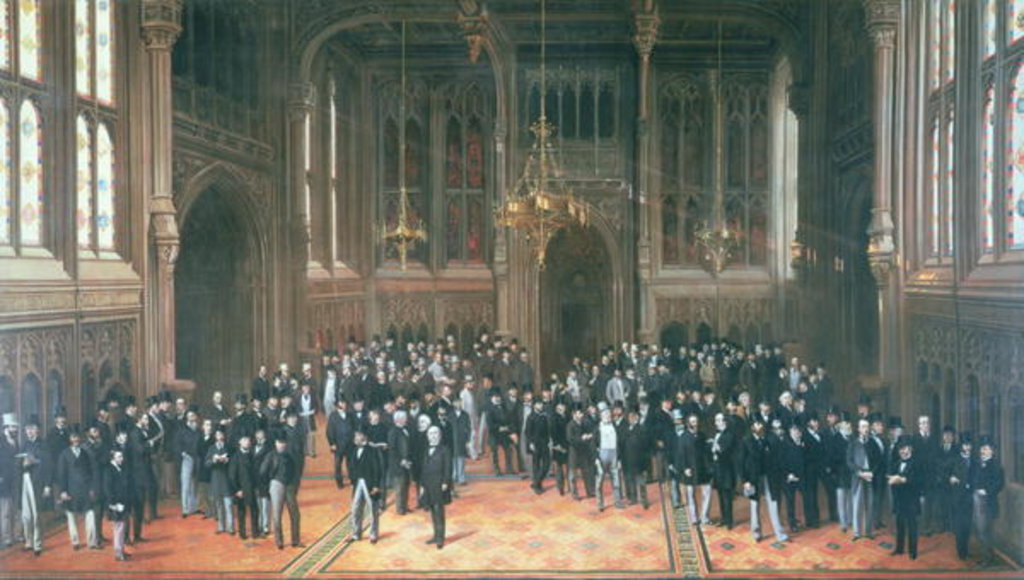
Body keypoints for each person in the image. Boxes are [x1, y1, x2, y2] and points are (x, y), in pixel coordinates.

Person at [742, 417, 788, 543]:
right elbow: (741, 463)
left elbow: (775, 458)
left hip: (768, 477)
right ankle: (756, 532)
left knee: (773, 503)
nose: (759, 426)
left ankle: (779, 532)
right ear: (752, 427)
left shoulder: (769, 439)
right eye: (757, 424)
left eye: (761, 424)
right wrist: (745, 480)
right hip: (753, 478)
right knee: (754, 504)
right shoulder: (746, 441)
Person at [54, 427, 99, 550]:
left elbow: (91, 472)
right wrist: (63, 491)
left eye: (77, 437)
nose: (76, 440)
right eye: (73, 437)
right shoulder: (64, 454)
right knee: (71, 515)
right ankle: (75, 542)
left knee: (90, 513)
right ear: (70, 439)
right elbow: (61, 474)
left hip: (85, 489)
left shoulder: (85, 453)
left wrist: (92, 488)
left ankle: (92, 542)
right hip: (71, 489)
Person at [261, 435, 301, 549]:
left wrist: (294, 485)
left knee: (295, 514)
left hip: (289, 486)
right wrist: (269, 484)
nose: (281, 445)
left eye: (283, 443)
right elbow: (263, 471)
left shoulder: (290, 455)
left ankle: (295, 540)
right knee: (277, 514)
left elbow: (296, 471)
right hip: (276, 483)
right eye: (279, 442)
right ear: (275, 443)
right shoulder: (270, 455)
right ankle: (279, 542)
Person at [18, 415, 50, 556]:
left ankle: (37, 544)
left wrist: (47, 485)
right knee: (26, 515)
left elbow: (49, 466)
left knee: (36, 514)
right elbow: (17, 463)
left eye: (32, 428)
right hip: (24, 480)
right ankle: (28, 541)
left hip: (37, 481)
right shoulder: (24, 445)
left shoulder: (44, 444)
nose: (29, 431)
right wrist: (22, 463)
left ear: (38, 430)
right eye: (27, 429)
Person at [971, 438, 1005, 566]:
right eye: (982, 448)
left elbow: (999, 483)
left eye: (986, 449)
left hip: (988, 502)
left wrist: (986, 491)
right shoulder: (977, 464)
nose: (983, 451)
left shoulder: (996, 466)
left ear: (992, 451)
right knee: (978, 530)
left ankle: (987, 559)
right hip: (976, 500)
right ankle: (985, 556)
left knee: (985, 531)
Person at [848, 418, 881, 540]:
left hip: (870, 477)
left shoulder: (873, 443)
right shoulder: (853, 443)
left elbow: (878, 460)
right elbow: (849, 461)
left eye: (867, 426)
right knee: (857, 504)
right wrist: (859, 472)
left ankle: (868, 531)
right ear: (858, 429)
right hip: (858, 477)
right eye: (863, 427)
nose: (865, 429)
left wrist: (872, 473)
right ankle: (857, 532)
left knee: (870, 504)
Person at [887, 438, 921, 560]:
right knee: (900, 525)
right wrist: (892, 479)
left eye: (905, 448)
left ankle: (913, 551)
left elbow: (919, 481)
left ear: (910, 449)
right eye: (900, 449)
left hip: (911, 500)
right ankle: (899, 549)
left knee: (912, 527)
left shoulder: (917, 463)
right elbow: (891, 477)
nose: (902, 451)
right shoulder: (896, 463)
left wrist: (903, 480)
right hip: (899, 500)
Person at [420, 425, 452, 549]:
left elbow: (448, 468)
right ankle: (435, 535)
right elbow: (423, 468)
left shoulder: (445, 450)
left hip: (439, 484)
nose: (433, 436)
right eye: (431, 434)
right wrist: (422, 485)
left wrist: (445, 482)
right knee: (432, 510)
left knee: (439, 511)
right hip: (428, 484)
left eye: (435, 433)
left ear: (440, 435)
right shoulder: (425, 449)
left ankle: (440, 538)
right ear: (427, 436)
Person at [349, 430, 381, 543]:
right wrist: (352, 483)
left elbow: (377, 469)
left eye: (358, 436)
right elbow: (351, 467)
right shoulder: (354, 450)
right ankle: (356, 534)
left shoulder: (372, 451)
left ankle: (373, 535)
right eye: (355, 436)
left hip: (370, 483)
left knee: (372, 509)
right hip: (357, 483)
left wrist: (376, 485)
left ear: (364, 437)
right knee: (355, 508)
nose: (355, 438)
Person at [947, 432, 974, 560]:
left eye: (969, 445)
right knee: (959, 525)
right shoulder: (954, 460)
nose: (967, 447)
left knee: (967, 524)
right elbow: (944, 473)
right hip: (957, 497)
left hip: (970, 498)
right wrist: (950, 477)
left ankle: (966, 550)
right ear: (961, 446)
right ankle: (961, 552)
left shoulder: (975, 461)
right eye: (965, 445)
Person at [103, 449, 133, 561]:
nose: (122, 459)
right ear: (113, 458)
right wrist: (114, 504)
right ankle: (118, 553)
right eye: (119, 457)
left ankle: (121, 551)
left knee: (121, 528)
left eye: (122, 456)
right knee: (118, 528)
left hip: (123, 502)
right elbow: (108, 489)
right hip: (115, 504)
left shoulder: (120, 468)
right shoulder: (109, 470)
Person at [228, 435, 259, 540]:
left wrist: (256, 487)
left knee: (255, 511)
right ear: (240, 443)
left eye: (248, 440)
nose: (247, 442)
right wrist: (237, 490)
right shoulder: (235, 457)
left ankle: (255, 532)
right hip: (241, 489)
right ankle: (242, 533)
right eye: (244, 440)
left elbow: (255, 473)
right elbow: (232, 475)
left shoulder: (252, 455)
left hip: (252, 488)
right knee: (241, 512)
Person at [710, 412, 737, 529]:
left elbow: (725, 451)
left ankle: (729, 521)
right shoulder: (718, 434)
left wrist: (716, 447)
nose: (716, 423)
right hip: (718, 469)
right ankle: (724, 519)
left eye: (718, 420)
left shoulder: (729, 434)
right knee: (720, 495)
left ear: (724, 422)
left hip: (727, 470)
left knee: (727, 496)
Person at [594, 407, 623, 511]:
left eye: (609, 415)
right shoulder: (597, 428)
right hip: (602, 455)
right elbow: (593, 445)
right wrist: (596, 458)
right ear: (601, 416)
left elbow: (619, 443)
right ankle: (600, 504)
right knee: (599, 481)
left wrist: (619, 458)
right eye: (605, 415)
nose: (608, 416)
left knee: (616, 480)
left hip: (614, 454)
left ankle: (617, 502)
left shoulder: (615, 426)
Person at [205, 427, 234, 534]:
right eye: (217, 435)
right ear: (215, 436)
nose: (220, 437)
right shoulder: (211, 448)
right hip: (216, 479)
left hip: (227, 479)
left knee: (228, 505)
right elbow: (206, 463)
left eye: (221, 434)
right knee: (219, 505)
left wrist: (227, 460)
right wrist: (213, 460)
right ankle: (221, 527)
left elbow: (235, 462)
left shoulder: (229, 447)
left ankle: (231, 528)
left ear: (224, 436)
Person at [620, 407, 649, 509]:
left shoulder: (642, 428)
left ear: (637, 417)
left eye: (633, 416)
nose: (631, 419)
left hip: (639, 459)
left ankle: (644, 500)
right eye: (630, 417)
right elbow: (622, 444)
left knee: (641, 480)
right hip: (627, 459)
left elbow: (645, 444)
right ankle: (633, 498)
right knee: (630, 480)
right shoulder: (625, 429)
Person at [176, 409, 200, 518]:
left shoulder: (198, 430)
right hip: (187, 459)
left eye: (193, 415)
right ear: (186, 417)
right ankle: (185, 509)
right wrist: (183, 453)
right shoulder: (182, 430)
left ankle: (193, 508)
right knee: (186, 484)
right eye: (189, 415)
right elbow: (177, 444)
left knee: (194, 484)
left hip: (197, 459)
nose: (191, 417)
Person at [387, 410, 412, 515]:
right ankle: (400, 509)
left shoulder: (405, 430)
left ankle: (404, 506)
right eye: (404, 418)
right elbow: (392, 450)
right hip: (397, 465)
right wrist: (401, 461)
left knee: (406, 485)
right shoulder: (393, 432)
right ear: (398, 420)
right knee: (399, 487)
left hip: (406, 463)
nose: (406, 419)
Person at [326, 399, 355, 490]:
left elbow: (354, 428)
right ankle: (339, 482)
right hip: (338, 445)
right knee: (338, 464)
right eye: (341, 403)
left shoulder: (350, 414)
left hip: (350, 444)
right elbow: (329, 431)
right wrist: (332, 443)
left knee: (351, 464)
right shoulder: (333, 416)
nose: (343, 404)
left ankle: (352, 481)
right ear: (337, 405)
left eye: (344, 402)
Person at [484, 391, 514, 475]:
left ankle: (509, 468)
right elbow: (489, 423)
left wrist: (507, 427)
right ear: (492, 398)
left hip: (504, 433)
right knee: (494, 452)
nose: (497, 398)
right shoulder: (489, 409)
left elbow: (509, 419)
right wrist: (499, 428)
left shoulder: (504, 407)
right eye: (495, 397)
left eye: (498, 396)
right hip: (494, 433)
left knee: (508, 450)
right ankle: (496, 469)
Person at [525, 399, 551, 494]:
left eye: (541, 404)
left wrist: (548, 440)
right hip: (535, 444)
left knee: (546, 465)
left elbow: (547, 430)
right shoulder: (530, 417)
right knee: (536, 466)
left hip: (544, 444)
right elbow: (527, 432)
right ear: (534, 405)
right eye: (538, 404)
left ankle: (536, 483)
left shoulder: (544, 416)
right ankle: (537, 487)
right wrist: (531, 443)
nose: (541, 406)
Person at [0, 413, 18, 548]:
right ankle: (6, 537)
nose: (15, 430)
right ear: (6, 427)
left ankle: (15, 534)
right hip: (3, 480)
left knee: (15, 509)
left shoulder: (15, 441)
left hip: (14, 479)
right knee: (5, 510)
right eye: (13, 427)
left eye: (15, 427)